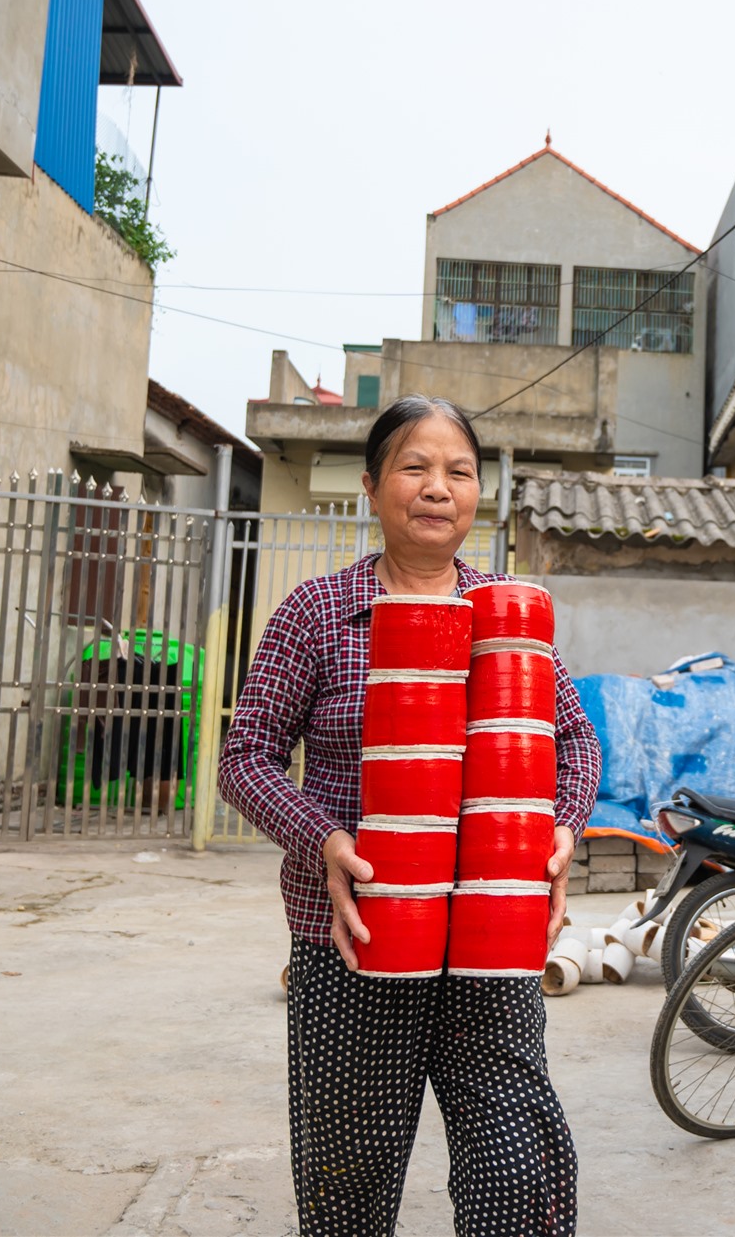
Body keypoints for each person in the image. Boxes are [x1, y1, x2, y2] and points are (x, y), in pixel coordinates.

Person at [219, 395, 600, 1236]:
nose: (437, 487)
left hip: (490, 944)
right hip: (350, 942)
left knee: (513, 1172)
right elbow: (244, 758)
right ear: (371, 485)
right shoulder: (317, 612)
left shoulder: (510, 621)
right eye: (414, 467)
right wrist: (322, 838)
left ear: (477, 493)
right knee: (346, 1186)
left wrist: (561, 829)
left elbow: (572, 740)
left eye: (457, 471)